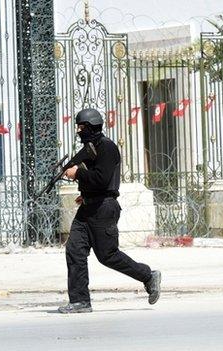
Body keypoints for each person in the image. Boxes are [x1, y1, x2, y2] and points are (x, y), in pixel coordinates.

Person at [58, 108, 161, 313]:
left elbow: (102, 178)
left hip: (104, 209)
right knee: (74, 250)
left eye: (81, 127)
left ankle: (148, 276)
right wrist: (83, 189)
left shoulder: (107, 147)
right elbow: (88, 175)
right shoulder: (90, 147)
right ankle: (80, 301)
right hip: (88, 207)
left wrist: (77, 173)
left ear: (91, 127)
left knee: (108, 256)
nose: (78, 131)